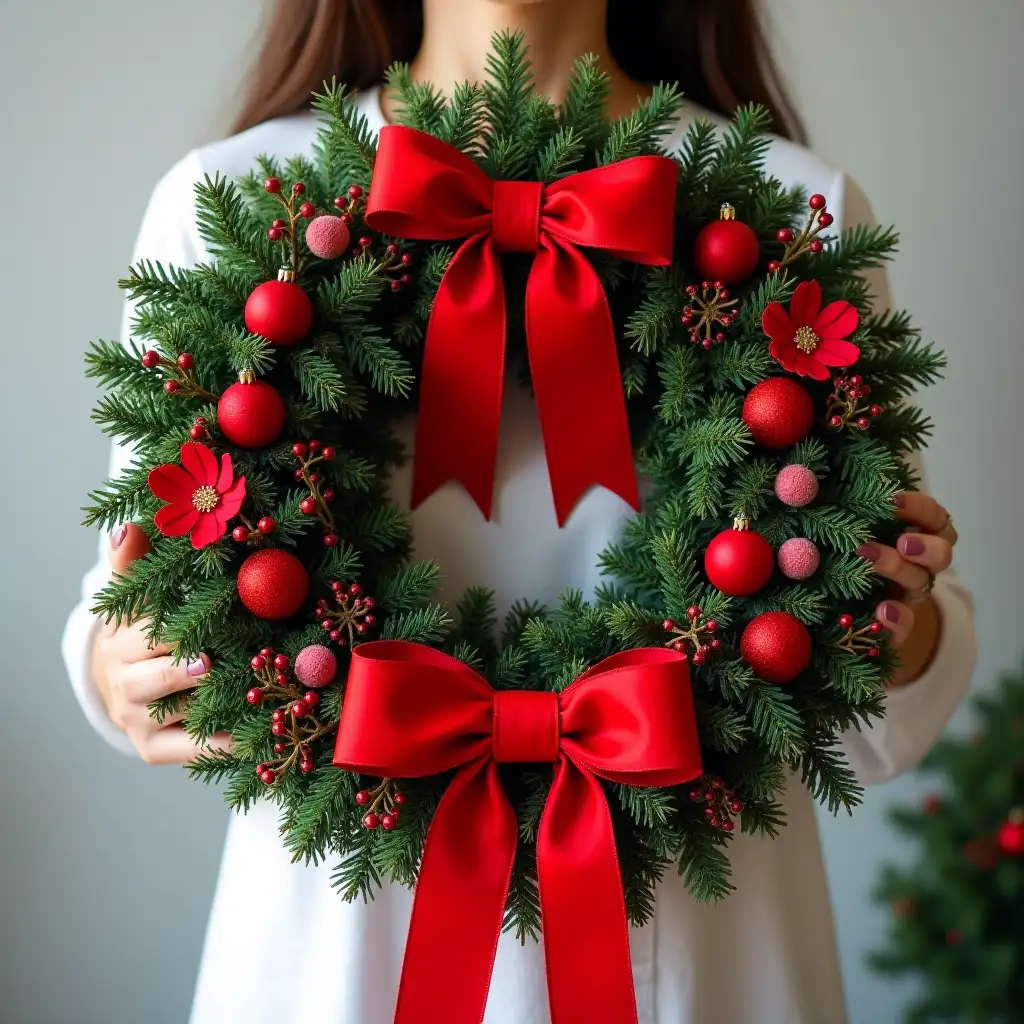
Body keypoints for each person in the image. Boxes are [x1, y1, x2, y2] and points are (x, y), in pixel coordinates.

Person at [62, 1, 976, 1021]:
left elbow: (866, 717)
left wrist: (894, 626)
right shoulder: (238, 200)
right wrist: (130, 666)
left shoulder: (781, 208)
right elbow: (136, 596)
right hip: (340, 942)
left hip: (706, 943)